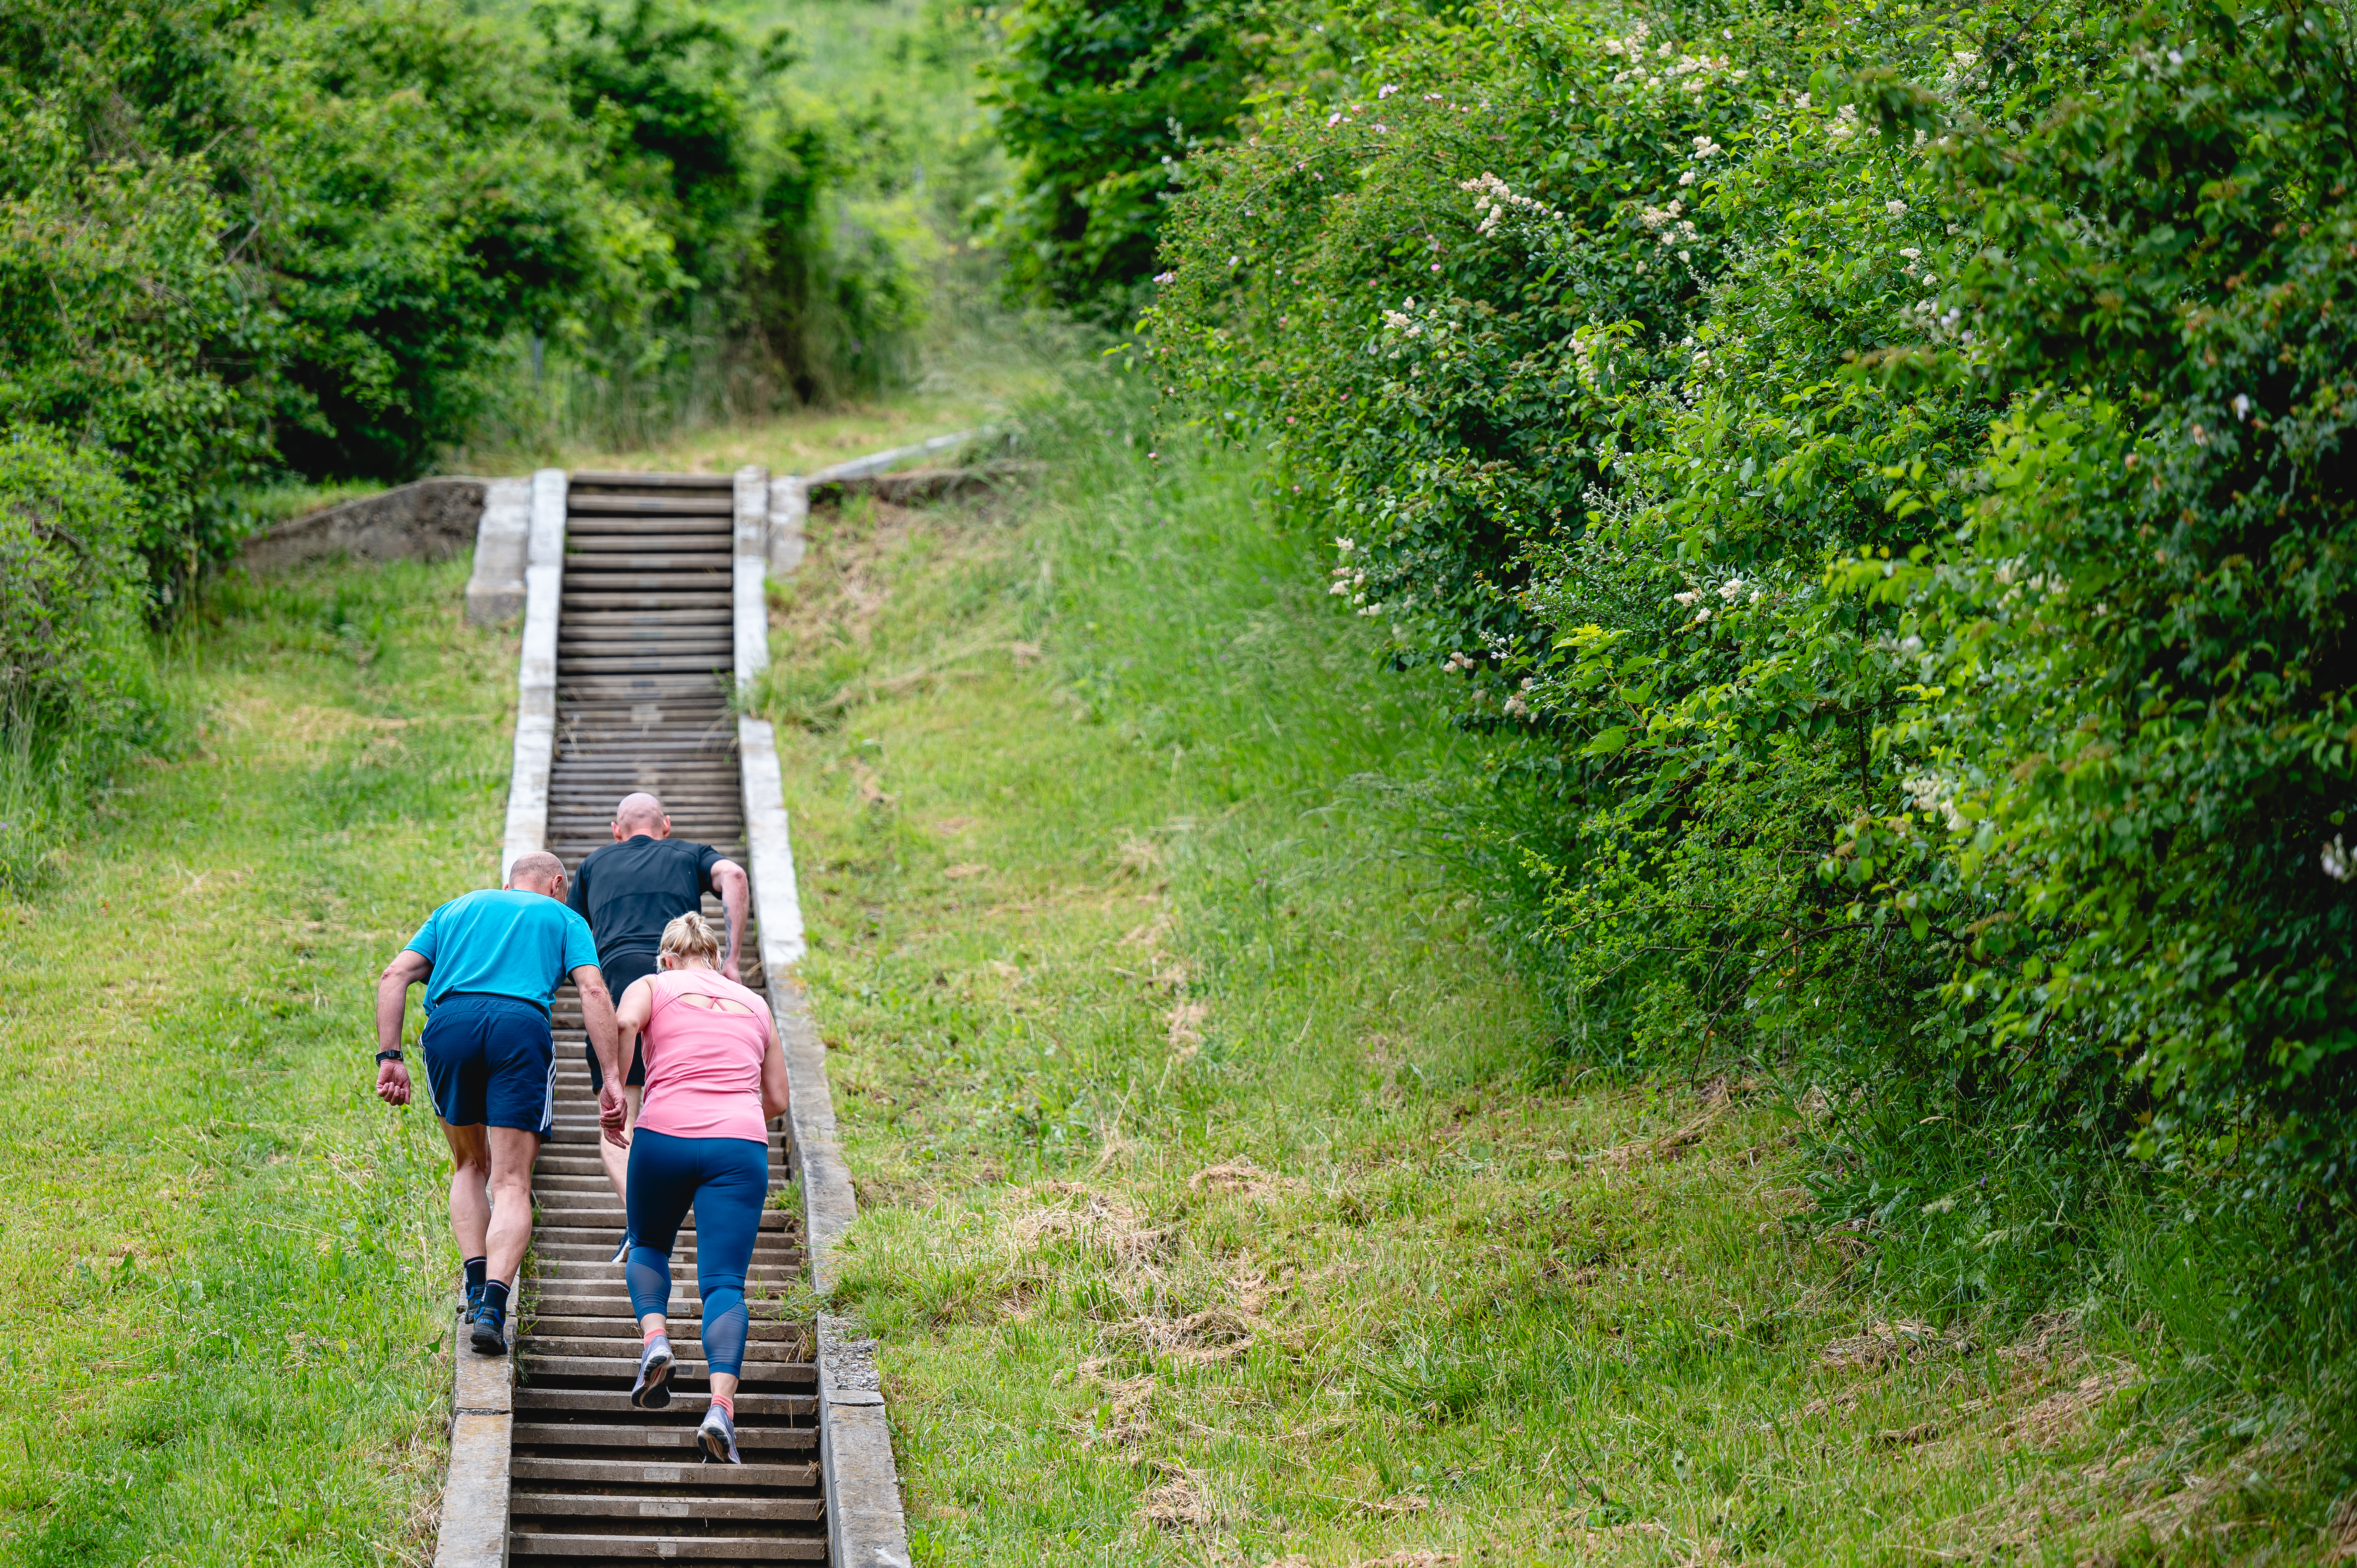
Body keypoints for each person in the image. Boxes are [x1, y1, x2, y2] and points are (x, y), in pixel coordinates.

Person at [374, 851, 621, 1356]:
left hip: (451, 1024)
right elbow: (593, 989)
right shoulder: (563, 916)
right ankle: (493, 1305)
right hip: (519, 1027)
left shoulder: (455, 909)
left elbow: (393, 976)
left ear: (508, 884)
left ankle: (474, 1280)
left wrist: (390, 1056)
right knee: (511, 1180)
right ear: (556, 884)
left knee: (469, 1163)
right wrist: (611, 1077)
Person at [599, 911, 788, 1464]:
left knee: (650, 1242)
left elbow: (626, 1022)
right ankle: (721, 1409)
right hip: (740, 1146)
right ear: (713, 956)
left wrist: (617, 1093)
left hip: (665, 1134)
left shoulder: (654, 983)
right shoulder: (755, 1003)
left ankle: (655, 1341)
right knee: (725, 1284)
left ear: (668, 956)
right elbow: (775, 1098)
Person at [567, 793, 751, 1253]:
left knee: (617, 1120)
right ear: (665, 825)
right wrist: (730, 960)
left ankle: (642, 1224)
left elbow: (568, 926)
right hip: (684, 987)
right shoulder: (689, 853)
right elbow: (734, 873)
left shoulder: (592, 864)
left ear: (616, 830)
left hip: (617, 983)